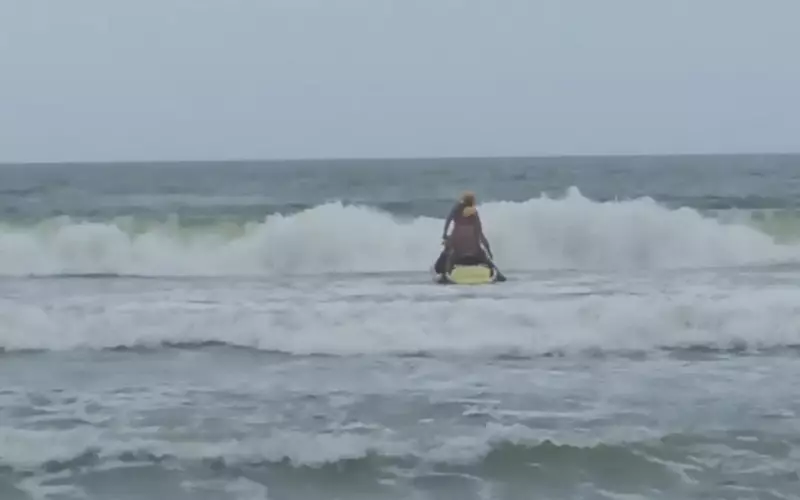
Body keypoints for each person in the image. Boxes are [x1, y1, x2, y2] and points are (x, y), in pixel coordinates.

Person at [434, 191, 494, 274]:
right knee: (487, 261)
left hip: (458, 257)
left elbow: (449, 219)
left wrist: (445, 234)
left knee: (448, 254)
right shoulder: (474, 216)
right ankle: (493, 272)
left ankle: (446, 273)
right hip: (476, 257)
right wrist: (489, 252)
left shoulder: (457, 214)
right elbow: (482, 238)